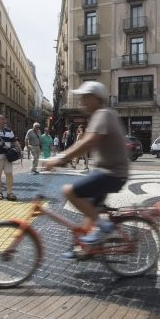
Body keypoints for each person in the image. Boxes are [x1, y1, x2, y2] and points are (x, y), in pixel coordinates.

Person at [43, 81, 128, 258]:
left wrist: (60, 158)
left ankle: (104, 227)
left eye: (85, 97)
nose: (81, 100)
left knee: (69, 192)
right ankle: (85, 248)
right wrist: (65, 158)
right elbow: (85, 143)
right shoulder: (100, 115)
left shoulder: (103, 114)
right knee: (90, 210)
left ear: (97, 99)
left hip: (110, 174)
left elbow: (88, 142)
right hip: (107, 172)